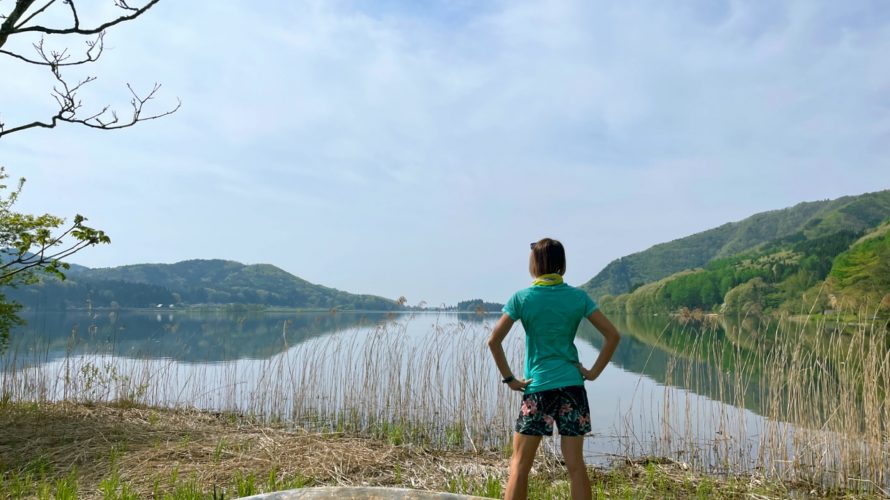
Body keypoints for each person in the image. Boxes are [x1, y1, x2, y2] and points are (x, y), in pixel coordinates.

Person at [487, 237, 621, 500]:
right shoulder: (577, 297)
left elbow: (494, 341)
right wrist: (592, 373)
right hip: (573, 387)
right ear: (562, 265)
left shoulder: (523, 298)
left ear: (536, 264)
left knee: (520, 465)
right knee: (575, 465)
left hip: (538, 389)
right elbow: (612, 336)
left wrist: (510, 379)